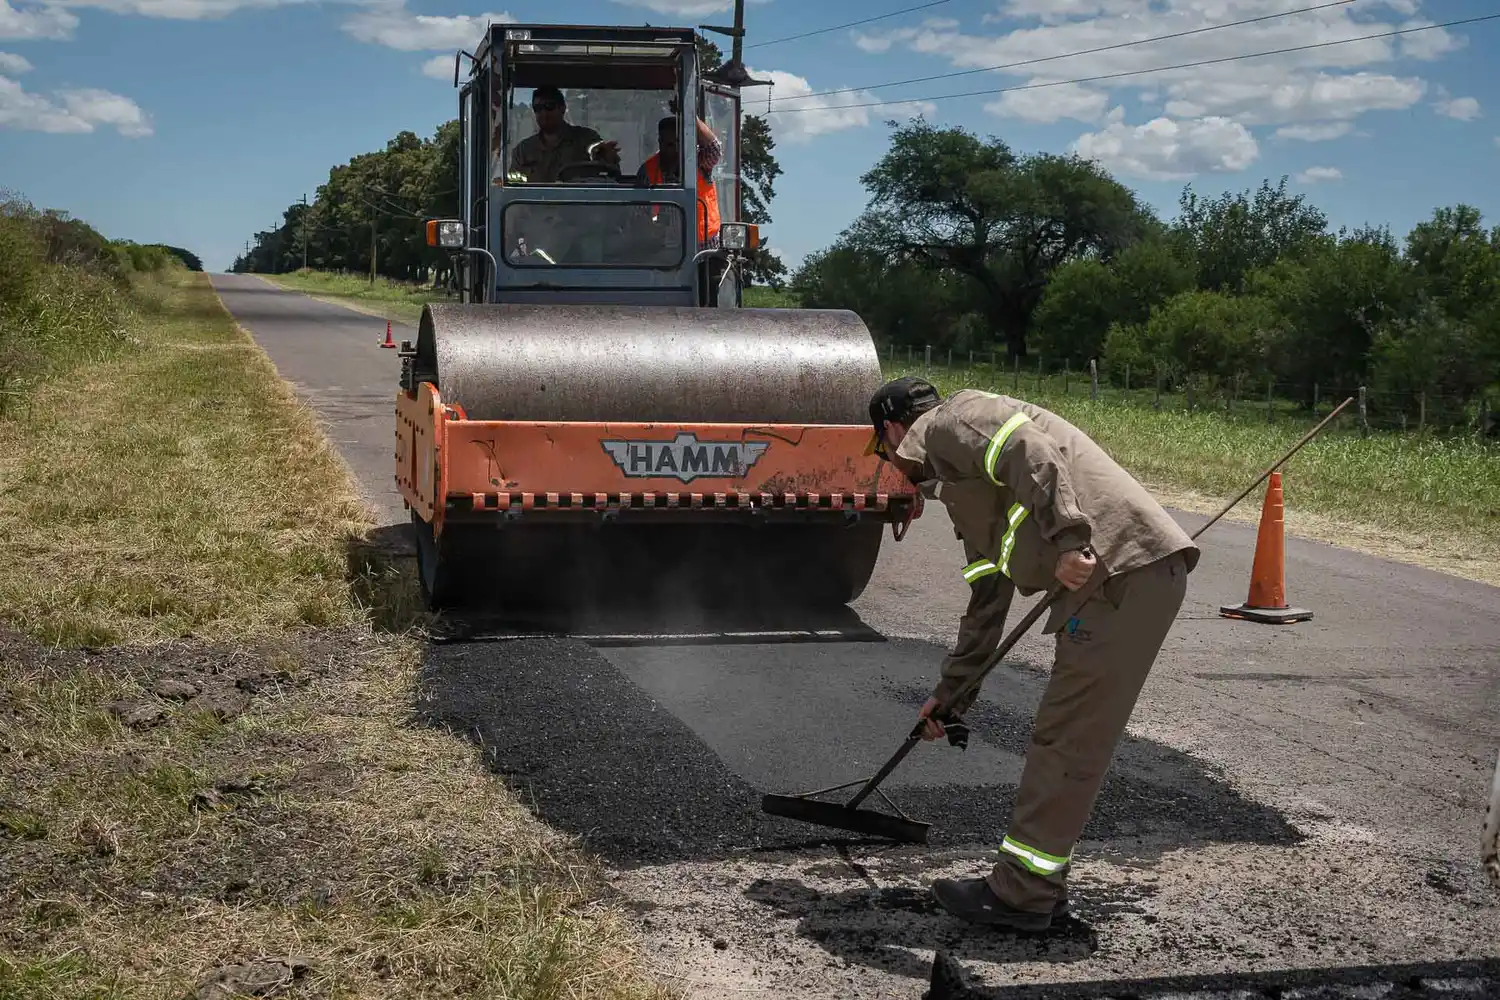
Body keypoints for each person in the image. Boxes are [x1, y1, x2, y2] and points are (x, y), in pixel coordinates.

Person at [865, 376, 1200, 932]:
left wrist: (1070, 539)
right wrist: (950, 699)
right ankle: (1035, 887)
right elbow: (986, 599)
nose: (892, 465)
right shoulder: (959, 481)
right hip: (1116, 583)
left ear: (894, 429)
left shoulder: (951, 423)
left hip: (1118, 574)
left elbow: (1030, 449)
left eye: (883, 450)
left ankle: (1022, 895)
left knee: (1065, 741)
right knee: (1063, 738)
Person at [637, 113, 723, 246]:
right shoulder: (648, 170)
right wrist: (651, 230)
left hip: (704, 247)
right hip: (665, 248)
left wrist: (691, 116)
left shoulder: (699, 161)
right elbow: (639, 212)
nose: (668, 148)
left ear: (683, 141)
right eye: (664, 143)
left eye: (674, 143)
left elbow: (714, 148)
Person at [505, 86, 620, 183]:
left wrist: (605, 156)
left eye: (549, 106)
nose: (544, 113)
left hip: (577, 207)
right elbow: (514, 184)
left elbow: (598, 153)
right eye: (538, 108)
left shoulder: (586, 138)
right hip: (534, 208)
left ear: (563, 108)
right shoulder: (523, 150)